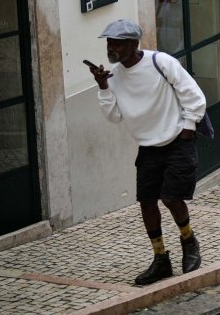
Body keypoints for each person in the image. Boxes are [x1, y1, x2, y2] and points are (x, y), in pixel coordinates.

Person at [87, 20, 206, 286]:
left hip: (177, 140)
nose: (111, 48)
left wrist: (188, 127)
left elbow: (193, 95)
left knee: (171, 197)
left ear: (133, 44)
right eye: (109, 43)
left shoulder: (160, 62)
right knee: (147, 202)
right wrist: (103, 87)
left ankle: (188, 241)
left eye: (117, 43)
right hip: (148, 146)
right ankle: (160, 258)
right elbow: (115, 116)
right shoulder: (114, 76)